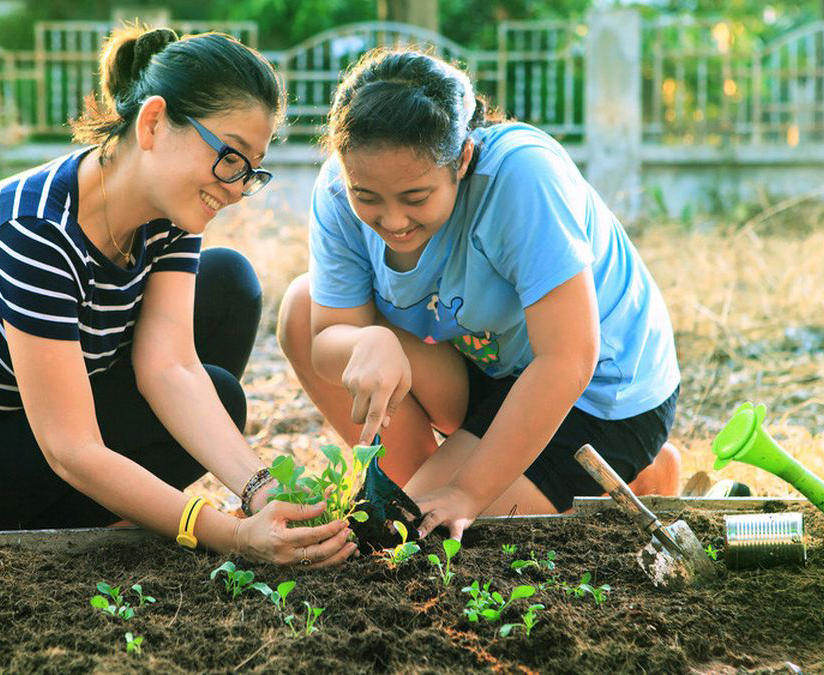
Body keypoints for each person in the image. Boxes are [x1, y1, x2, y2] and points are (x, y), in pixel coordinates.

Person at [0, 25, 354, 568]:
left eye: (250, 171)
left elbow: (171, 368)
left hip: (27, 416)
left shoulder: (171, 213)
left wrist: (259, 489)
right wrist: (225, 535)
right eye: (229, 157)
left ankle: (118, 509)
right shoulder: (36, 232)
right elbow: (72, 449)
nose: (234, 188)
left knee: (226, 287)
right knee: (221, 396)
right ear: (154, 123)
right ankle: (111, 514)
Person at [277, 49, 682, 542]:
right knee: (302, 307)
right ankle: (433, 481)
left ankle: (636, 472)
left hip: (597, 390)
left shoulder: (522, 176)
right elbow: (322, 339)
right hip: (491, 369)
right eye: (368, 197)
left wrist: (467, 493)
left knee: (438, 530)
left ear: (463, 159)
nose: (393, 220)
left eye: (416, 197)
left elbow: (569, 357)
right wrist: (365, 344)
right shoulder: (339, 192)